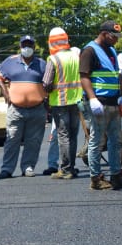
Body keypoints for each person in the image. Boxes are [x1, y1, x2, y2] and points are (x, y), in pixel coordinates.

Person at [80, 20, 122, 190]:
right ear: (104, 34)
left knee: (116, 140)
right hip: (98, 103)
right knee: (97, 140)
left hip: (114, 102)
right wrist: (92, 98)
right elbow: (84, 77)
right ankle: (95, 178)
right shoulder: (89, 51)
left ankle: (116, 175)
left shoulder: (111, 50)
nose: (116, 39)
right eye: (114, 36)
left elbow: (117, 76)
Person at [0, 35, 48, 179]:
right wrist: (5, 92)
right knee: (12, 139)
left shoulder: (42, 64)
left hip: (37, 109)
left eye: (30, 45)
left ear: (34, 47)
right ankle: (7, 169)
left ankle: (28, 167)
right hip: (16, 109)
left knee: (34, 141)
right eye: (25, 45)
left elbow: (49, 82)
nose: (27, 48)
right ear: (20, 46)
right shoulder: (10, 62)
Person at [42, 26, 83, 180]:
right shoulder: (76, 56)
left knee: (63, 136)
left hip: (60, 102)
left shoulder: (53, 59)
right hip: (76, 100)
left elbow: (46, 83)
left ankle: (65, 169)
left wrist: (48, 92)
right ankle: (71, 167)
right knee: (73, 136)